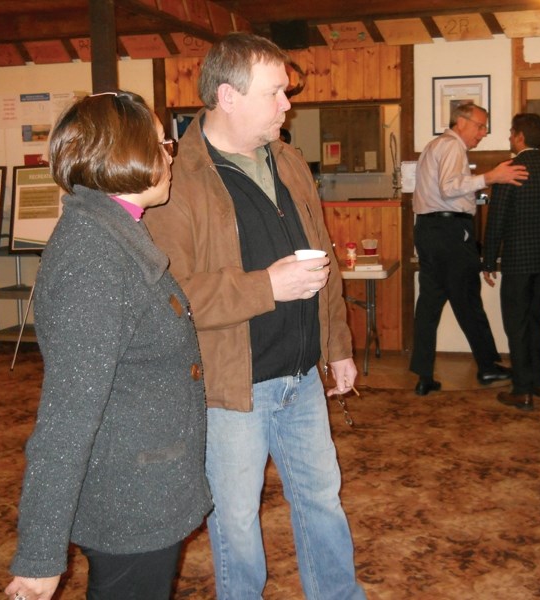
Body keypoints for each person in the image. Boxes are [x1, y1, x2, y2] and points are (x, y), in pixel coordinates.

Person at [144, 33, 366, 600]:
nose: (287, 105)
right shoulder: (175, 182)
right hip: (231, 389)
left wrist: (336, 344)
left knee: (322, 501)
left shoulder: (288, 160)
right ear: (229, 95)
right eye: (275, 93)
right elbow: (172, 299)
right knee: (235, 522)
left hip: (301, 378)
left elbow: (325, 263)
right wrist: (267, 286)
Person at [4, 91, 212, 600]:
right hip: (127, 498)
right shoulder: (94, 258)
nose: (170, 155)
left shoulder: (114, 230)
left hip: (142, 483)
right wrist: (38, 556)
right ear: (128, 154)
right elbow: (66, 416)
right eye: (163, 143)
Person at [410, 102, 528, 396]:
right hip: (449, 233)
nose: (484, 132)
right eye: (480, 125)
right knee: (469, 302)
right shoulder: (452, 147)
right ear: (461, 122)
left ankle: (423, 375)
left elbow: (442, 190)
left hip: (428, 231)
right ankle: (488, 367)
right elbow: (450, 188)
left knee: (429, 305)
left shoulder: (434, 145)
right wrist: (490, 177)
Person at [483, 113, 540, 412]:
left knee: (517, 324)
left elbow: (496, 221)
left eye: (512, 132)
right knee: (537, 321)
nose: (510, 137)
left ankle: (522, 390)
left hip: (518, 264)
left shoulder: (509, 171)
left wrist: (487, 261)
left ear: (521, 136)